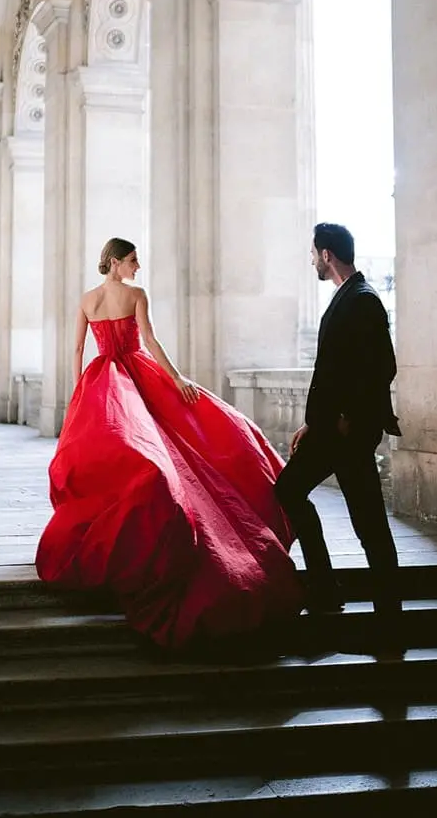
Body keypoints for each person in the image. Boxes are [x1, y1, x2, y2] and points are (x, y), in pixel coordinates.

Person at [36, 237, 304, 648]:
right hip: (136, 372)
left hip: (102, 378)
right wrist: (176, 379)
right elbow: (150, 341)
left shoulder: (88, 300)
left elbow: (76, 349)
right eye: (132, 260)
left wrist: (79, 391)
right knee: (168, 440)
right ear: (115, 262)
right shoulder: (136, 295)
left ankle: (124, 534)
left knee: (120, 452)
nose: (137, 266)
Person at [274, 223, 401, 619]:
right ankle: (332, 591)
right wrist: (314, 423)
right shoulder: (349, 296)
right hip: (332, 429)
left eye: (314, 254)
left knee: (365, 521)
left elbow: (381, 366)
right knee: (299, 495)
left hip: (346, 432)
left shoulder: (362, 300)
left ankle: (372, 605)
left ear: (326, 255)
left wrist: (348, 417)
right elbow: (334, 371)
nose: (312, 260)